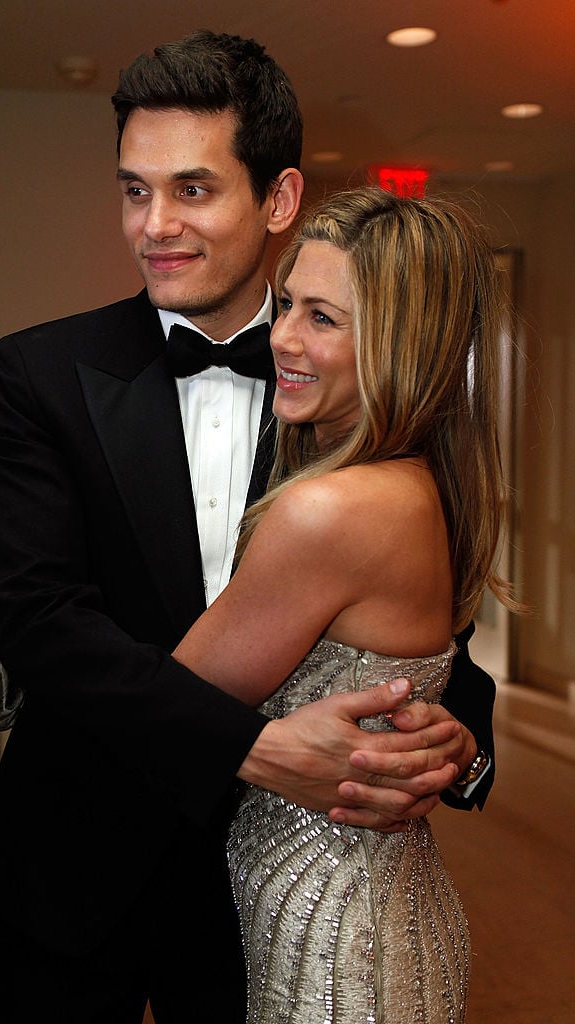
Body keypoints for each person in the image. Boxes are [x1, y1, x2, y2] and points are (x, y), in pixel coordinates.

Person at [0, 30, 494, 1024]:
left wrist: (460, 743)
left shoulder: (345, 391)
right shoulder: (40, 370)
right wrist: (244, 744)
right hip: (75, 863)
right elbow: (39, 621)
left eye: (192, 190)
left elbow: (418, 618)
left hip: (264, 884)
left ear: (279, 198)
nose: (151, 224)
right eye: (133, 190)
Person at [173, 187, 517, 1022]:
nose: (282, 336)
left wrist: (39, 640)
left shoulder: (329, 508)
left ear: (400, 345)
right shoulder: (418, 482)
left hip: (335, 944)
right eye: (286, 304)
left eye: (322, 317)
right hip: (375, 912)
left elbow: (166, 705)